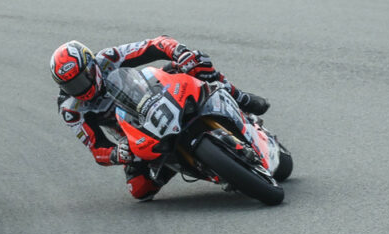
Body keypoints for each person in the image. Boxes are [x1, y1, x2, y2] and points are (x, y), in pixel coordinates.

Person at [50, 37, 270, 200]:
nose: (81, 89)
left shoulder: (108, 59)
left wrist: (179, 52)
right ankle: (182, 165)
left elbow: (154, 45)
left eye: (81, 80)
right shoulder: (71, 109)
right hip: (136, 134)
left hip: (155, 97)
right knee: (139, 190)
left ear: (91, 67)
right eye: (72, 86)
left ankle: (240, 97)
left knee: (195, 62)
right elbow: (97, 149)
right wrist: (118, 153)